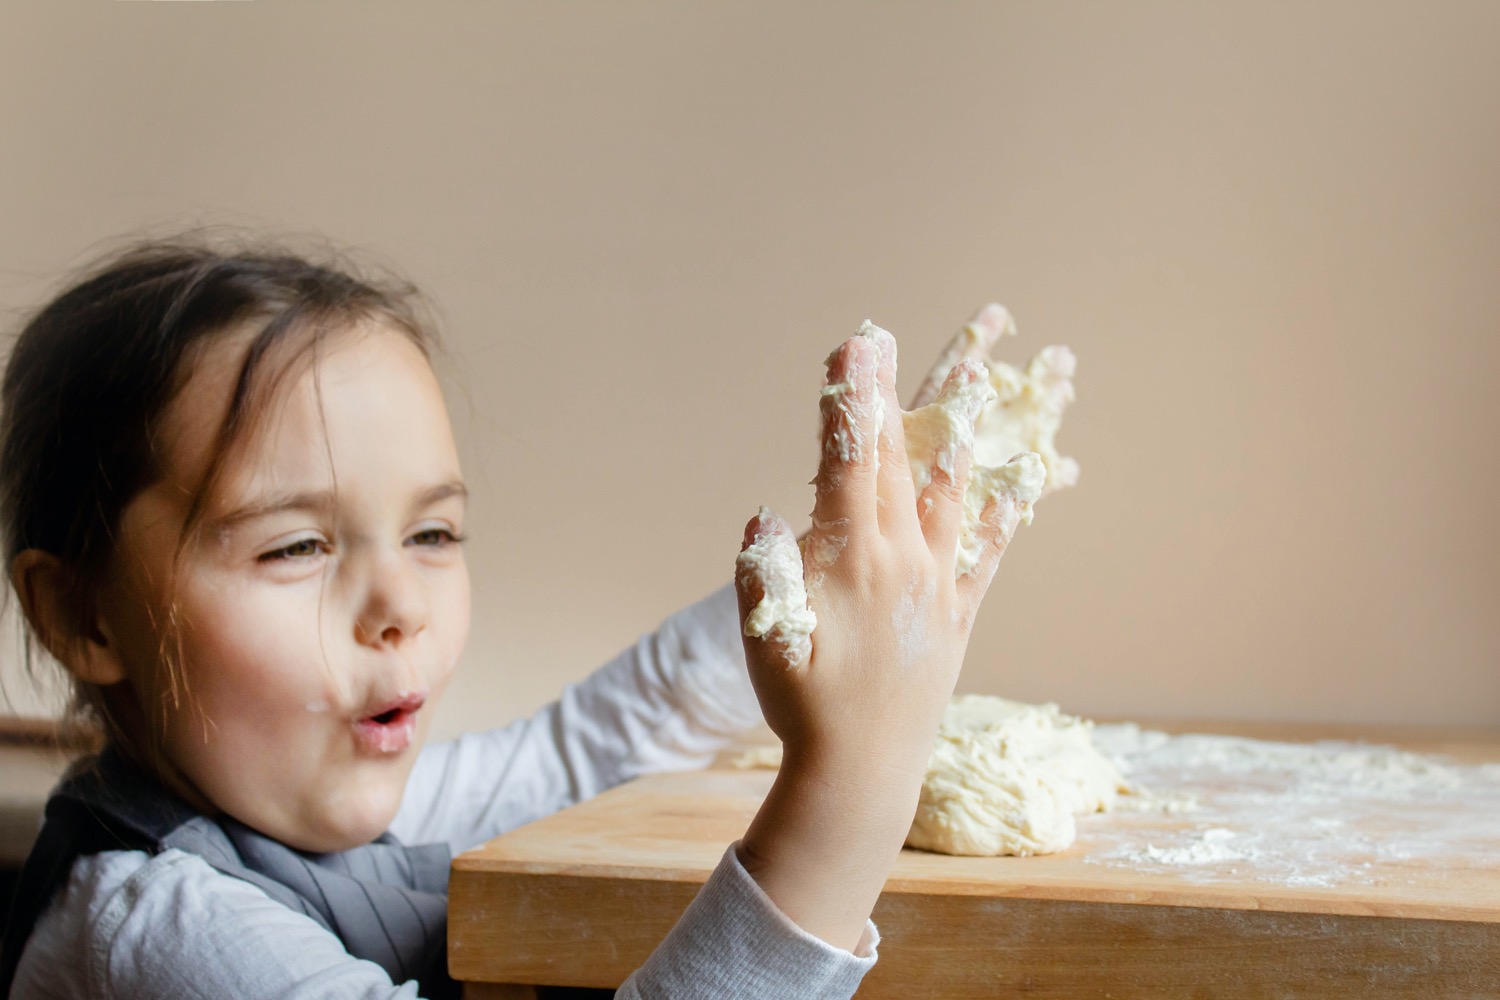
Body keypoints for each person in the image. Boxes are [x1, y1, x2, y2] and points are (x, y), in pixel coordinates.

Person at [0, 233, 1025, 998]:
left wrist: (837, 577)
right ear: (82, 613)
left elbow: (588, 749)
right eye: (297, 546)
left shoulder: (297, 795)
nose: (399, 603)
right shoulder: (155, 931)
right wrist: (855, 785)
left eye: (433, 535)